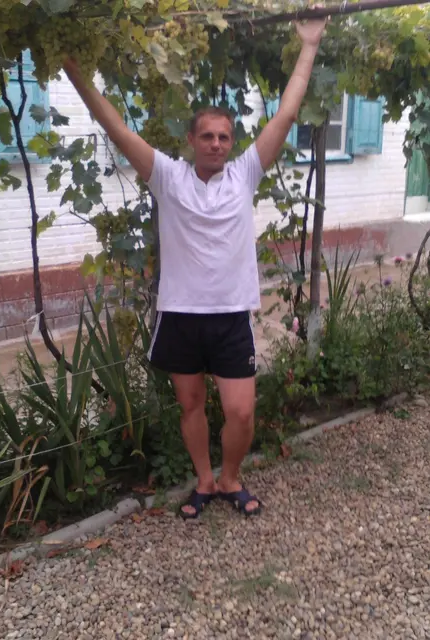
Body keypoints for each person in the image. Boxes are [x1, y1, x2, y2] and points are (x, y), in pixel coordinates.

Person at [64, 13, 327, 519]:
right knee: (190, 406)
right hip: (181, 314)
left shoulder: (245, 174)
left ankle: (231, 477)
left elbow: (286, 116)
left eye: (224, 137)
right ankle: (205, 481)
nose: (217, 144)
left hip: (230, 316)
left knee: (241, 412)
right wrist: (76, 73)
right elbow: (115, 128)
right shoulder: (167, 176)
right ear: (191, 140)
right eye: (207, 136)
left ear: (232, 142)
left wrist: (309, 45)